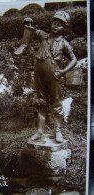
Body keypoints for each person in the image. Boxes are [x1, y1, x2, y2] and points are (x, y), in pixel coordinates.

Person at [30, 11, 77, 143]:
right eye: (54, 23)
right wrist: (29, 24)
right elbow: (33, 31)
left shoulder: (64, 43)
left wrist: (62, 71)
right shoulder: (44, 36)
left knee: (56, 102)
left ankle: (58, 131)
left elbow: (74, 60)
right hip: (39, 75)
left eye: (60, 24)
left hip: (54, 77)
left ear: (65, 28)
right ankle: (40, 131)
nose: (55, 26)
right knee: (41, 102)